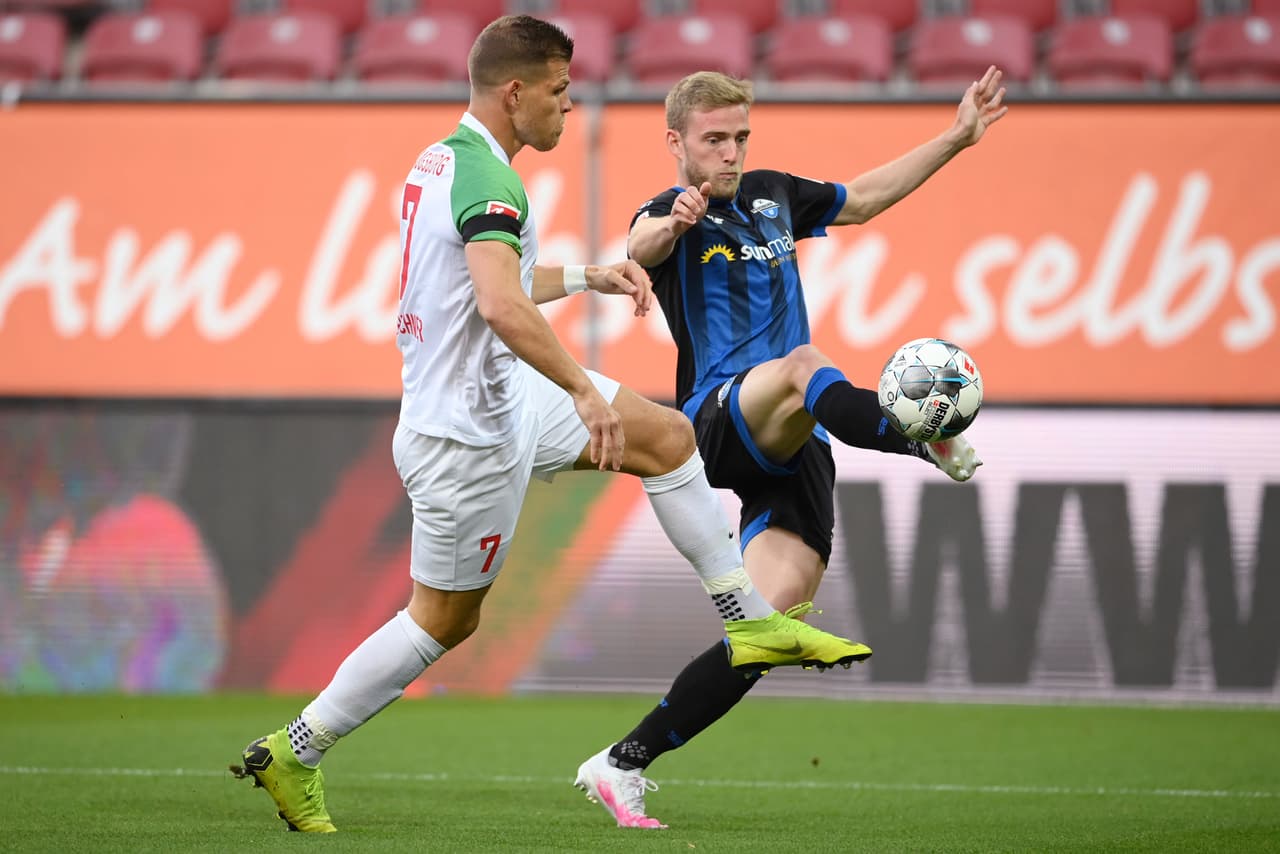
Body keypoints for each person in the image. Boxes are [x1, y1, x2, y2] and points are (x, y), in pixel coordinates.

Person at [231, 16, 868, 834]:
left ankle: (749, 622)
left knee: (667, 438)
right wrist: (581, 390)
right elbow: (499, 304)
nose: (569, 106)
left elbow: (492, 279)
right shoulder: (491, 182)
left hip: (500, 397)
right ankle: (297, 748)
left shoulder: (445, 160)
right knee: (444, 620)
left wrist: (589, 276)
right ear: (515, 93)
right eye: (560, 91)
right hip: (467, 437)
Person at [573, 68, 1007, 829]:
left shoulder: (774, 195)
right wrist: (675, 221)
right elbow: (639, 245)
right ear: (676, 142)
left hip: (797, 437)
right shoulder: (668, 213)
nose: (730, 152)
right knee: (805, 363)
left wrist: (956, 137)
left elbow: (861, 198)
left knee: (765, 634)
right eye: (714, 139)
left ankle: (621, 762)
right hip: (718, 416)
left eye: (740, 137)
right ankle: (919, 438)